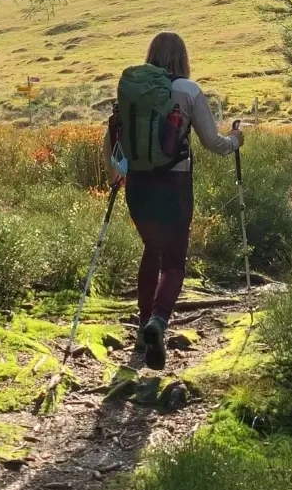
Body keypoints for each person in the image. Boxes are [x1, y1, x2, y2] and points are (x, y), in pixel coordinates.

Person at [103, 32, 244, 371]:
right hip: (175, 184)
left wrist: (114, 175)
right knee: (175, 260)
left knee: (151, 250)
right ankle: (159, 321)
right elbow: (214, 143)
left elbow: (112, 134)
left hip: (138, 183)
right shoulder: (189, 91)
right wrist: (237, 139)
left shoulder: (132, 90)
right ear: (182, 58)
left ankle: (141, 329)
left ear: (151, 54)